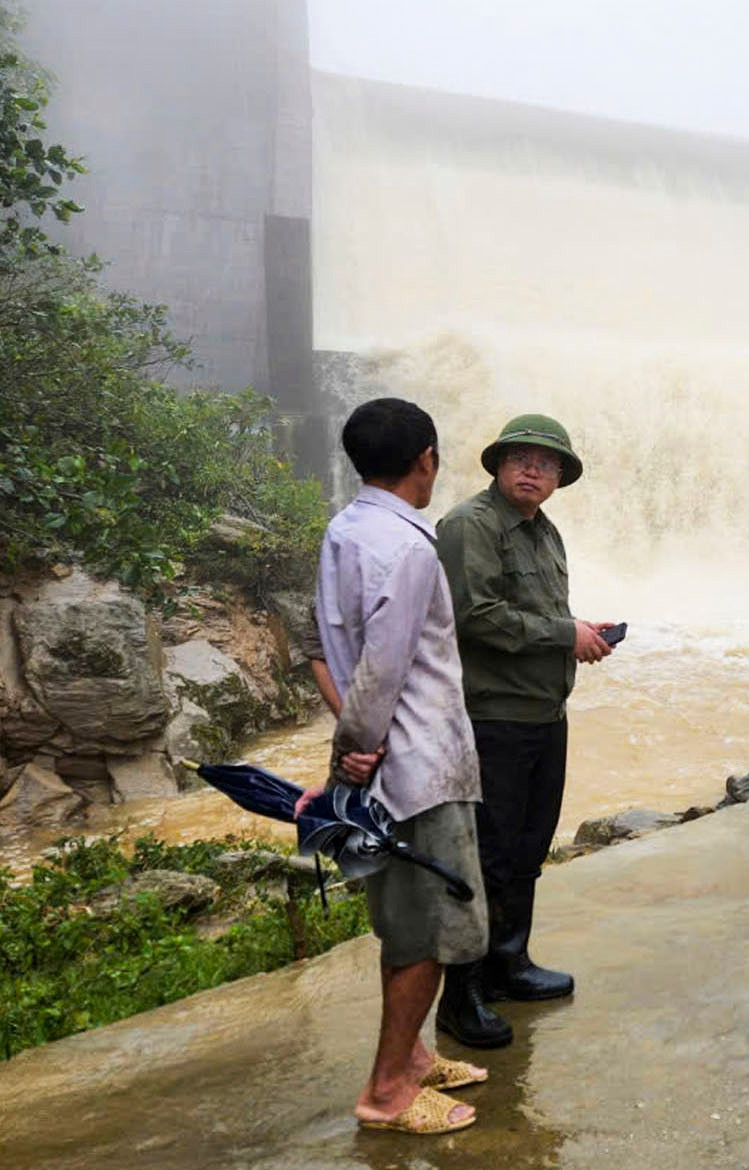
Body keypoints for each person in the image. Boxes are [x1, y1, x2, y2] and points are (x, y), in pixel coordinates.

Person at [301, 397, 492, 1134]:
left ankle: (410, 1056)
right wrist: (360, 749)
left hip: (382, 764)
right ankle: (387, 1093)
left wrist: (347, 750)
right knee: (431, 934)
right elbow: (384, 667)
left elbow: (328, 644)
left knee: (402, 922)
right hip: (417, 768)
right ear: (427, 460)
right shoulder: (410, 548)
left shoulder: (347, 528)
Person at [433, 414, 616, 1048]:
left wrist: (580, 633)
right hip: (492, 717)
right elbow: (474, 617)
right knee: (483, 857)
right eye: (521, 458)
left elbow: (541, 614)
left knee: (527, 851)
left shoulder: (545, 532)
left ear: (561, 476)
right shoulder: (467, 526)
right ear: (498, 465)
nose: (533, 469)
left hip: (542, 712)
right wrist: (565, 635)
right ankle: (463, 996)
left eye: (547, 462)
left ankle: (510, 963)